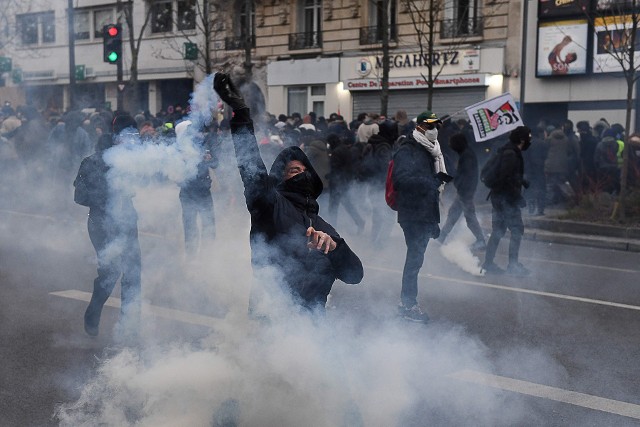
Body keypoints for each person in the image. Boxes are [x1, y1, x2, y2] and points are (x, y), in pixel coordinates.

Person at [213, 73, 363, 314]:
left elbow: (355, 275)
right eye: (293, 170)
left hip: (311, 328)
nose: (300, 173)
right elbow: (251, 166)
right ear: (280, 178)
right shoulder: (270, 204)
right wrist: (241, 114)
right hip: (272, 317)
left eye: (304, 169)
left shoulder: (319, 224)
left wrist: (335, 247)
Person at [73, 113, 142, 337]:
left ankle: (128, 326)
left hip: (128, 221)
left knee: (133, 273)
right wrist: (110, 194)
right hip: (101, 224)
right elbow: (80, 196)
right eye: (127, 135)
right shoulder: (93, 161)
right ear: (115, 138)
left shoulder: (134, 160)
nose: (132, 140)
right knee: (110, 273)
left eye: (134, 135)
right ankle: (93, 312)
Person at [392, 111, 449, 323]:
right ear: (420, 127)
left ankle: (407, 304)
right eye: (430, 125)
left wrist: (433, 220)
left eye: (437, 126)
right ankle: (407, 305)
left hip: (424, 213)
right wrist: (432, 181)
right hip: (413, 214)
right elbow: (401, 180)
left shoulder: (430, 150)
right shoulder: (408, 149)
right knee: (414, 259)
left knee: (416, 259)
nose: (435, 130)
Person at [482, 126, 533, 277]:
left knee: (498, 231)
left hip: (499, 198)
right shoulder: (511, 154)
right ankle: (512, 265)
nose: (530, 141)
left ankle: (489, 263)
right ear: (522, 139)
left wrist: (522, 181)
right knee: (517, 230)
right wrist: (518, 198)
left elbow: (509, 174)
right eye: (529, 138)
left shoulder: (507, 150)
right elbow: (506, 178)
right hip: (506, 200)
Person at [175, 120, 219, 257]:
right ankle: (191, 256)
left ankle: (209, 254)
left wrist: (208, 158)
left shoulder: (203, 145)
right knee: (190, 226)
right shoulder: (178, 150)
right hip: (187, 192)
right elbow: (175, 175)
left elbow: (216, 163)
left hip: (204, 191)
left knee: (209, 223)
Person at [437, 132, 486, 249]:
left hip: (465, 193)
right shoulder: (466, 154)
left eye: (452, 143)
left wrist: (459, 185)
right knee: (453, 215)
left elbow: (467, 176)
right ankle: (442, 237)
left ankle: (481, 240)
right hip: (463, 192)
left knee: (470, 217)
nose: (450, 145)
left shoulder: (467, 156)